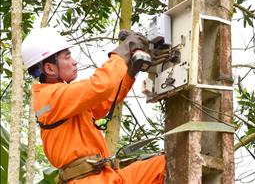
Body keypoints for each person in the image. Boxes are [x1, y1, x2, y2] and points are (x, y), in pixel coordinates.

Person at [21, 27, 165, 183]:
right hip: (88, 180)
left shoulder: (65, 100)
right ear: (49, 68)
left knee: (165, 164)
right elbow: (100, 86)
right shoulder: (49, 97)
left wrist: (129, 73)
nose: (74, 62)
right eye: (67, 57)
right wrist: (122, 52)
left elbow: (103, 103)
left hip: (106, 176)